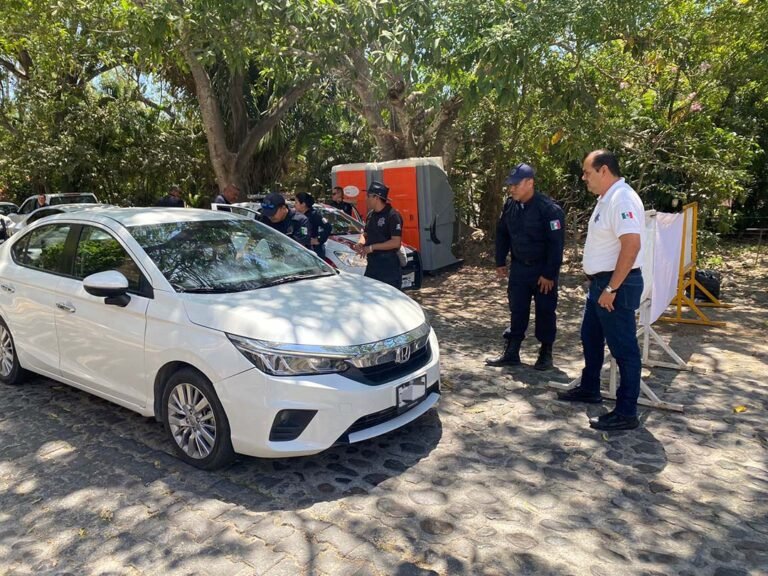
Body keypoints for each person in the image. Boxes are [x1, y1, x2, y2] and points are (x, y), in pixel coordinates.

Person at [557, 149, 645, 431]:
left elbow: (631, 246)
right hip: (601, 285)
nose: (584, 178)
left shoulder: (622, 199)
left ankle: (626, 411)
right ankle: (590, 387)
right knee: (590, 338)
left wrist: (611, 287)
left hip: (615, 286)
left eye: (587, 172)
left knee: (624, 349)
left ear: (604, 170)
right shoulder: (606, 199)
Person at [486, 163, 565, 370]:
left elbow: (556, 245)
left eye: (515, 184)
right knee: (517, 309)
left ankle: (545, 353)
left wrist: (549, 274)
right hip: (520, 268)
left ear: (530, 183)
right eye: (510, 185)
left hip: (542, 271)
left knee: (545, 311)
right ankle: (512, 351)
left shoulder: (549, 209)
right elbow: (502, 233)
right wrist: (500, 261)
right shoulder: (510, 205)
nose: (511, 189)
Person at [353, 181, 403, 289]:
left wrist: (371, 248)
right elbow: (365, 234)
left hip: (388, 267)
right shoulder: (371, 215)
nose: (366, 199)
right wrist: (360, 243)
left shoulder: (392, 215)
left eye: (368, 196)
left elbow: (396, 242)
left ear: (376, 197)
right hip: (372, 266)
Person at [294, 192, 331, 258]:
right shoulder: (297, 215)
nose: (294, 205)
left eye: (296, 202)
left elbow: (328, 227)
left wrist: (319, 240)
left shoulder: (314, 215)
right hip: (301, 250)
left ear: (303, 204)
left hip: (314, 250)